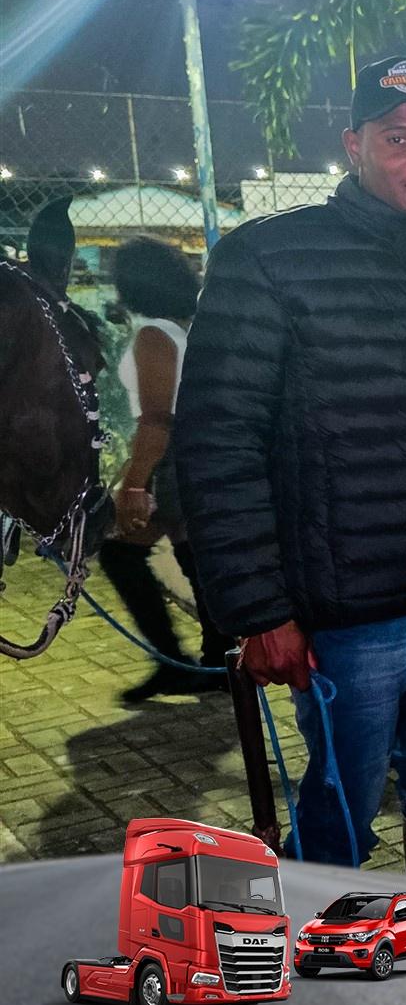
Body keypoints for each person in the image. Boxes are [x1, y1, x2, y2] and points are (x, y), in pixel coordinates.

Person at [175, 55, 406, 875]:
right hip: (348, 612)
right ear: (354, 145)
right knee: (341, 807)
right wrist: (258, 610)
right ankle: (314, 943)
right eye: (397, 138)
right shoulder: (268, 259)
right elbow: (217, 441)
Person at [95, 236, 228, 703]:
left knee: (124, 554)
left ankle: (186, 661)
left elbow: (156, 418)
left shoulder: (153, 335)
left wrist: (134, 482)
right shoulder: (184, 328)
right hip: (196, 455)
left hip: (171, 460)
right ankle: (210, 662)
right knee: (193, 561)